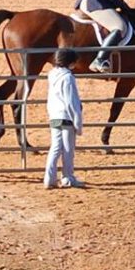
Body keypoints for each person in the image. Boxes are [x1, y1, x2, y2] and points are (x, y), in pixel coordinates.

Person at [42, 45, 84, 190]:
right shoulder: (68, 78)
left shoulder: (52, 75)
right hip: (66, 117)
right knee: (68, 150)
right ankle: (68, 177)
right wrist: (78, 122)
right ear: (70, 62)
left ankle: (49, 178)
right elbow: (71, 101)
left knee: (55, 148)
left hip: (54, 115)